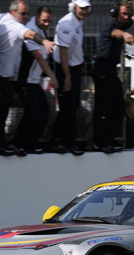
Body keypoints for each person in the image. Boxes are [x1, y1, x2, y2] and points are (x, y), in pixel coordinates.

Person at [0, 0, 55, 158]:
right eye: (23, 13)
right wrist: (44, 41)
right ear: (13, 12)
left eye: (27, 13)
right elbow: (31, 34)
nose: (26, 17)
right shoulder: (15, 26)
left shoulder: (3, 18)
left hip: (0, 74)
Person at [92, 0, 134, 153]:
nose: (127, 16)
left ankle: (112, 139)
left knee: (119, 106)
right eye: (124, 13)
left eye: (128, 14)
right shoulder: (112, 27)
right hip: (101, 69)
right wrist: (126, 34)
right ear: (115, 14)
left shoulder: (123, 24)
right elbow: (116, 33)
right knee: (103, 107)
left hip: (111, 70)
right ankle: (100, 142)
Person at [10, 6, 58, 154]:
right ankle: (17, 144)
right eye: (44, 20)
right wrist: (53, 77)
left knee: (44, 114)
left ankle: (30, 145)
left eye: (49, 21)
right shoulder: (30, 30)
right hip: (23, 80)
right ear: (37, 18)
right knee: (33, 114)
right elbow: (39, 57)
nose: (46, 24)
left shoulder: (43, 30)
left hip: (34, 80)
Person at [49, 0, 91, 156]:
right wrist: (67, 77)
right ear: (74, 7)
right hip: (65, 68)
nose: (84, 11)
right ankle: (60, 141)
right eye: (82, 8)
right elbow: (63, 52)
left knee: (72, 106)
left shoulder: (78, 22)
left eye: (86, 8)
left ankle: (67, 141)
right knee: (67, 107)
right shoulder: (66, 24)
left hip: (74, 67)